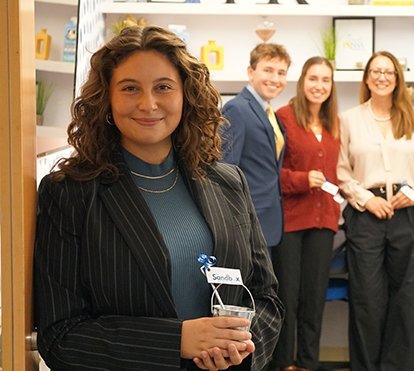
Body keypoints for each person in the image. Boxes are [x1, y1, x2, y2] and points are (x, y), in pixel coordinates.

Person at [33, 25, 284, 371]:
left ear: (186, 95)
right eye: (130, 88)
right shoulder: (69, 193)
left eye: (163, 87)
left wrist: (239, 347)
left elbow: (266, 298)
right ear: (106, 98)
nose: (148, 104)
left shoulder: (228, 183)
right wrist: (176, 341)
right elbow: (60, 336)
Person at [337, 50, 414, 371]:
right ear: (367, 78)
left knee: (408, 298)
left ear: (397, 79)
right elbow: (341, 171)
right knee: (368, 298)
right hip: (366, 214)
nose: (382, 77)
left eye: (389, 72)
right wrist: (365, 199)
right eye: (376, 72)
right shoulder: (349, 118)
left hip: (408, 213)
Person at [270, 56, 341, 371]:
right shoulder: (283, 117)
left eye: (325, 80)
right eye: (314, 78)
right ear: (302, 81)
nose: (319, 86)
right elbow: (270, 173)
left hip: (324, 222)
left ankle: (308, 363)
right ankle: (284, 362)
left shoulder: (333, 124)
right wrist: (301, 179)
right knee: (287, 298)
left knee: (314, 299)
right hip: (290, 221)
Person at [221, 43, 291, 249]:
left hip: (267, 219)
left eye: (281, 73)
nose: (275, 79)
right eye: (268, 70)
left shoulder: (269, 113)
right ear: (251, 72)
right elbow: (225, 170)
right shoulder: (237, 109)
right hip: (246, 221)